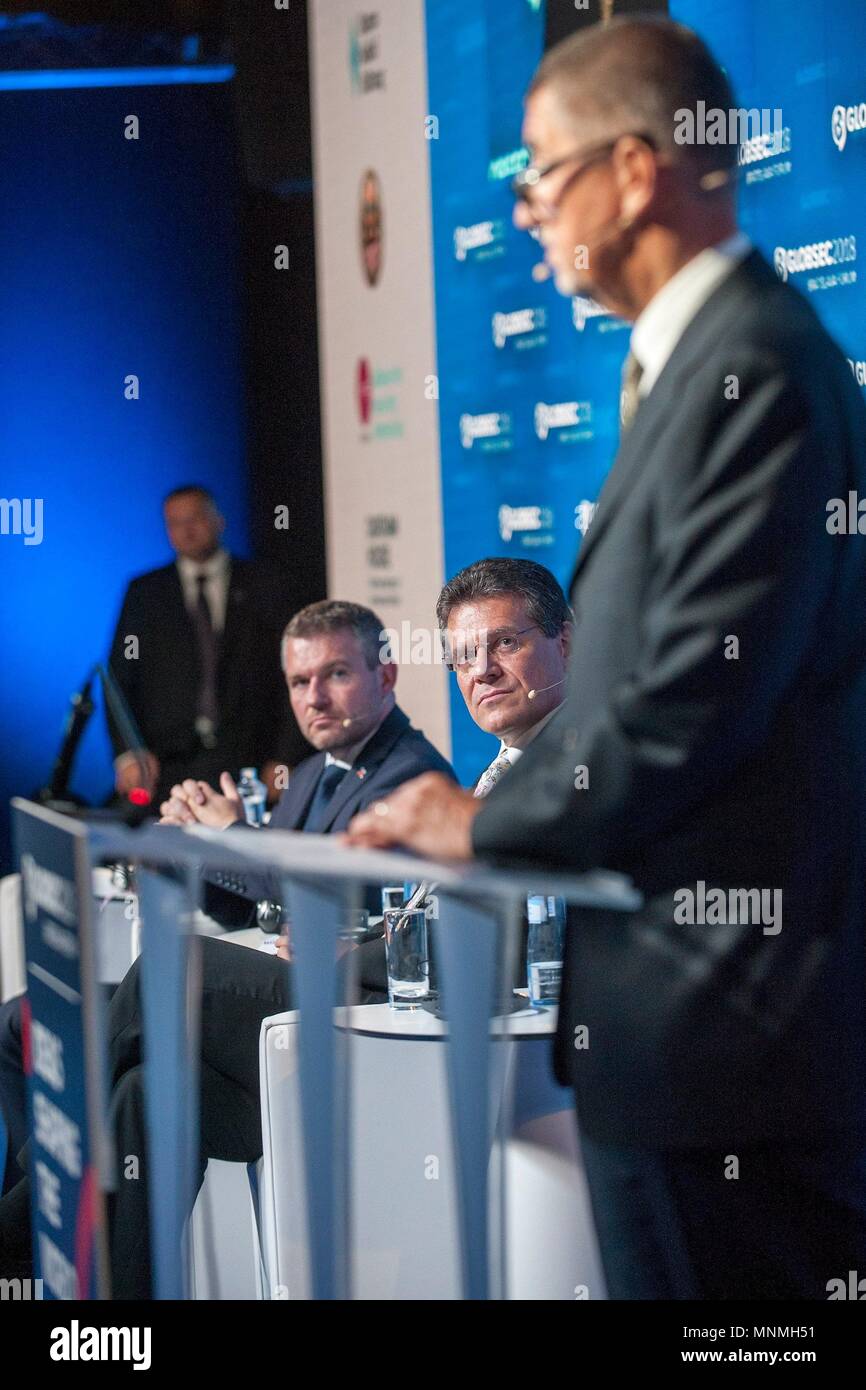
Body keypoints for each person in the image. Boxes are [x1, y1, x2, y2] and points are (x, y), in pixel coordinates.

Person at [346, 17, 866, 1299]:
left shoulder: (758, 367)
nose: (522, 210)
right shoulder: (688, 365)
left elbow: (691, 703)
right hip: (669, 1044)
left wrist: (480, 819)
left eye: (539, 171)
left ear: (635, 172)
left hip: (730, 1047)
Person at [0, 600, 454, 1296]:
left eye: (335, 674)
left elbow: (343, 904)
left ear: (386, 674)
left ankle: (24, 1219)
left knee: (163, 977)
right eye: (300, 682)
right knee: (38, 1029)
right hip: (267, 1010)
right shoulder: (310, 774)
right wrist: (195, 852)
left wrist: (231, 841)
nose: (314, 697)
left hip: (333, 1038)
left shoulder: (410, 779)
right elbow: (262, 904)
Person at [108, 483, 307, 809]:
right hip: (166, 766)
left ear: (219, 520)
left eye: (196, 518)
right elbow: (119, 679)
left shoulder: (267, 585)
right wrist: (129, 753)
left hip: (250, 762)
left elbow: (295, 674)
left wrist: (286, 758)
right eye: (175, 522)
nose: (187, 529)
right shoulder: (145, 593)